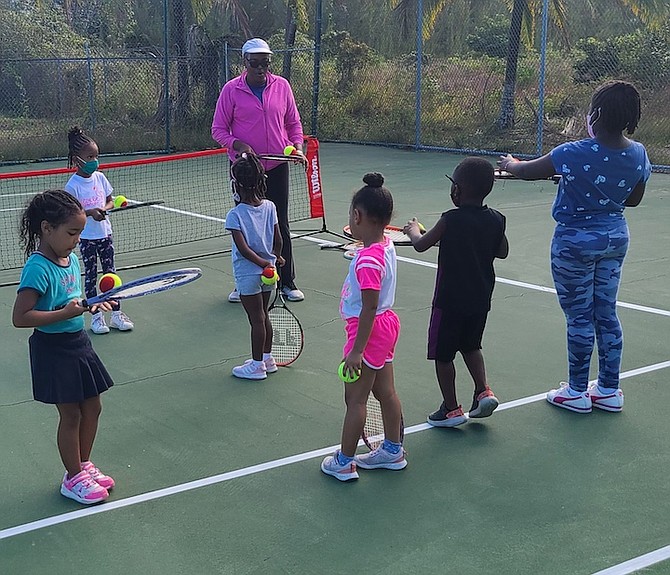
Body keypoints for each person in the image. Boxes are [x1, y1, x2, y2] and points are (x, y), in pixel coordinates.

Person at [498, 80, 651, 414]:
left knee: (579, 317)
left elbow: (526, 171)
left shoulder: (572, 152)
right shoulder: (638, 153)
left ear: (594, 114)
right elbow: (634, 199)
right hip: (615, 238)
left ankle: (577, 391)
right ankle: (609, 389)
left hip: (574, 244)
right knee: (606, 313)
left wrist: (509, 163)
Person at [12, 190, 116, 504]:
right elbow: (21, 317)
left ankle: (83, 465)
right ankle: (72, 478)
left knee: (93, 407)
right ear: (47, 229)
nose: (76, 240)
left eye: (80, 233)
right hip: (53, 348)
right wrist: (66, 313)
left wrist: (91, 306)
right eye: (72, 233)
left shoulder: (69, 258)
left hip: (78, 343)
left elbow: (71, 301)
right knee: (70, 415)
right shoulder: (38, 267)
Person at [404, 157, 509, 427]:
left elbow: (420, 245)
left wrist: (413, 230)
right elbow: (501, 251)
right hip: (480, 300)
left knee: (443, 355)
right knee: (472, 346)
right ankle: (483, 391)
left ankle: (451, 409)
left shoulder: (449, 220)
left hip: (449, 302)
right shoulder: (497, 219)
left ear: (459, 190)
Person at [321, 173, 405, 481]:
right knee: (386, 391)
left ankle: (344, 461)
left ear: (357, 216)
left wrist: (356, 350)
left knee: (355, 400)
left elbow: (369, 306)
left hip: (366, 332)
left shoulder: (368, 260)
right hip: (386, 326)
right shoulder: (385, 245)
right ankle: (393, 450)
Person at [211, 37, 305, 303]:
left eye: (265, 63)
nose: (261, 68)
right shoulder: (231, 90)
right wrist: (237, 144)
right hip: (245, 171)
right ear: (245, 62)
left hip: (276, 165)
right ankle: (245, 284)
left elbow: (293, 123)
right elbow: (218, 129)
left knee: (280, 224)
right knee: (245, 227)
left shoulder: (282, 86)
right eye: (255, 63)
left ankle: (286, 281)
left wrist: (297, 147)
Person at [64, 126, 134, 334]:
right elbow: (72, 215)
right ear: (77, 159)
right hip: (86, 238)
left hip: (105, 235)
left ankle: (116, 314)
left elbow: (110, 202)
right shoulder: (72, 186)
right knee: (92, 277)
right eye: (90, 156)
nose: (95, 160)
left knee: (111, 276)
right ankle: (96, 317)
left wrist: (103, 209)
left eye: (97, 156)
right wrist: (89, 212)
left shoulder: (101, 178)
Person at [225, 154, 284, 380]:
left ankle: (257, 365)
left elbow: (243, 250)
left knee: (256, 319)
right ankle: (267, 359)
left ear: (237, 184)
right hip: (269, 274)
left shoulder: (235, 214)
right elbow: (278, 241)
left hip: (249, 273)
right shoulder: (270, 206)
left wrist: (262, 263)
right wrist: (274, 260)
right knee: (264, 316)